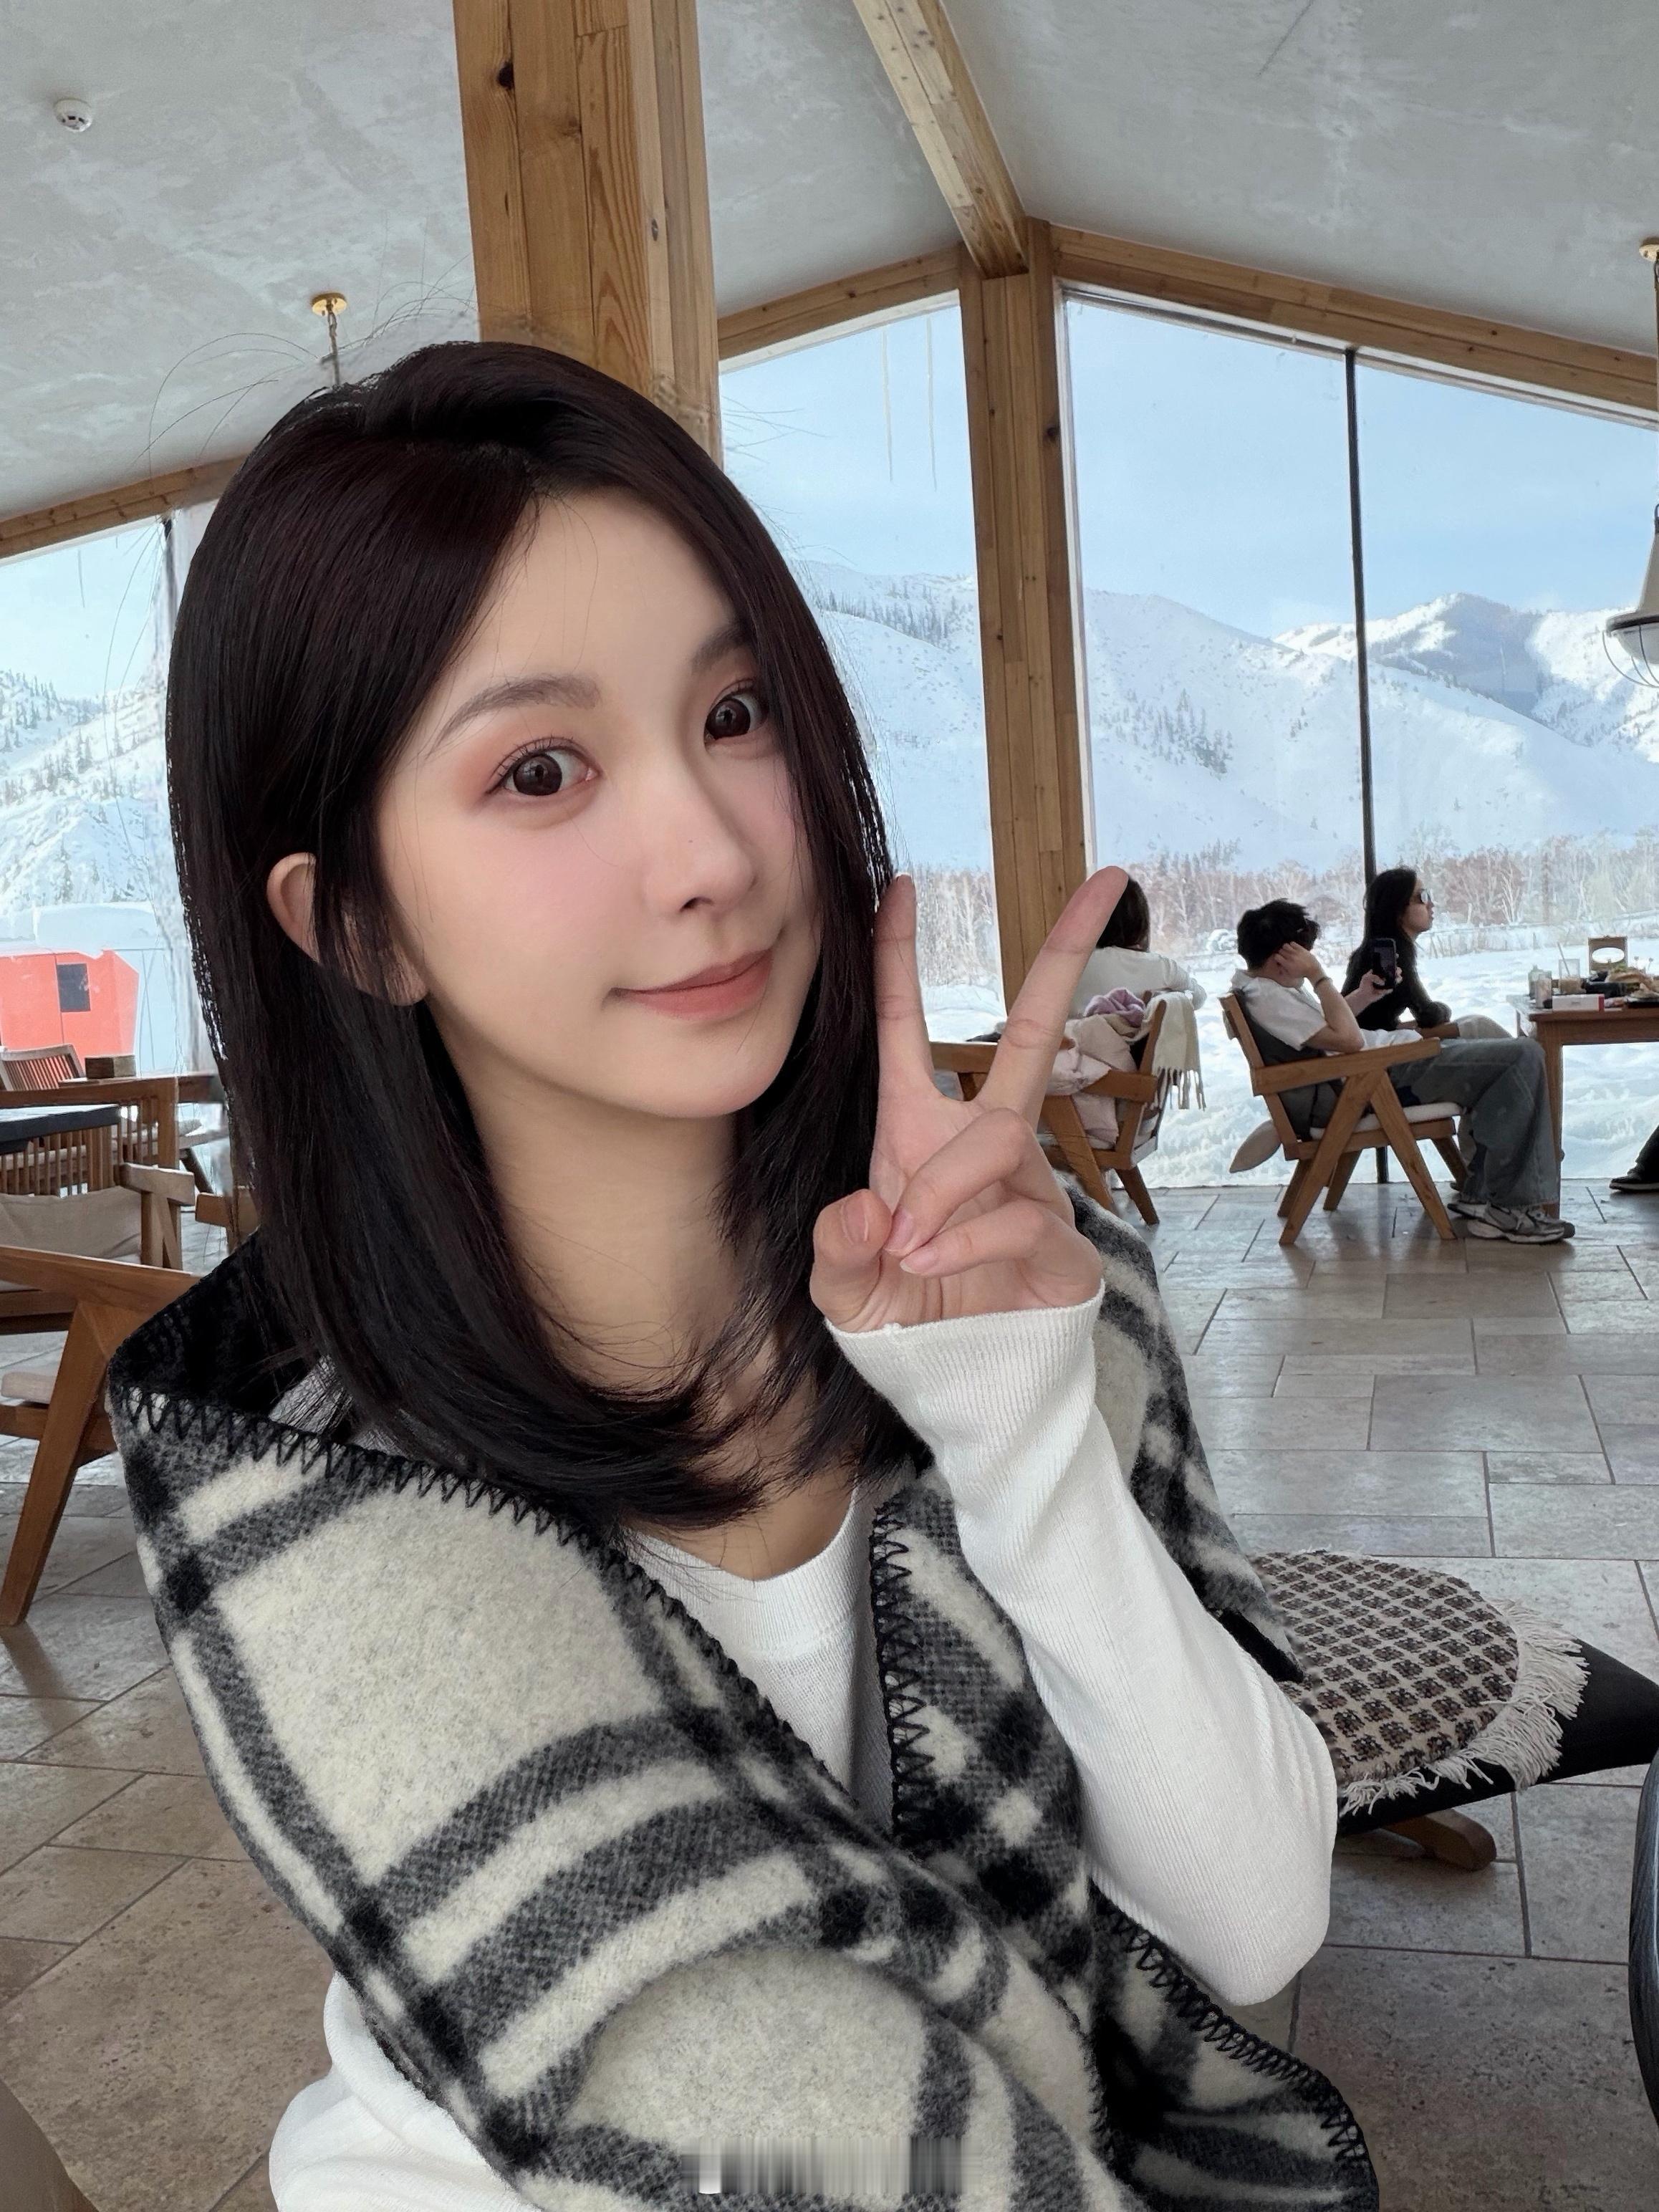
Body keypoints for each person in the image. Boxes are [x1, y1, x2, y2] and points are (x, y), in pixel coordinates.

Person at [108, 345, 1365, 2209]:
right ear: (356, 920)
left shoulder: (1008, 1281)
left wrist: (1016, 1420)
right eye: (541, 769)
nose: (708, 851)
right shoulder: (311, 1488)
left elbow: (1254, 1921)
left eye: (736, 711)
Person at [1234, 898, 1572, 1244]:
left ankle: (1485, 1195)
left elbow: (1324, 1029)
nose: (1308, 957)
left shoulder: (1268, 990)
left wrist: (1363, 996)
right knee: (1522, 1056)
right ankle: (1510, 1211)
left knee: (1506, 1058)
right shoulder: (1269, 997)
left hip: (1383, 1068)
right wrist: (1317, 975)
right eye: (1303, 952)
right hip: (1379, 1077)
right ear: (1281, 958)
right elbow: (1349, 1041)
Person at [1340, 867, 1508, 1039]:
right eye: (1422, 897)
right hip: (1381, 1048)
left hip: (1381, 1038)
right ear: (1397, 909)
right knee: (1479, 1026)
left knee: (1475, 1023)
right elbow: (1428, 1015)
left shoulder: (1369, 952)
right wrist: (1444, 1009)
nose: (1431, 904)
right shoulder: (1395, 957)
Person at [1069, 872, 1206, 1014]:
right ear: (1140, 921)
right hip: (1152, 1028)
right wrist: (1170, 999)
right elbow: (1199, 998)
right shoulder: (1162, 967)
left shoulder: (1073, 970)